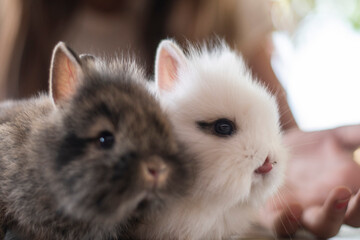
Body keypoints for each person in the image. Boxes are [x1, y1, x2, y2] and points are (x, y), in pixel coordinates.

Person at [1, 0, 359, 237]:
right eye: (221, 128)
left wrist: (291, 158)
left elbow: (273, 123)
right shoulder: (12, 22)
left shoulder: (229, 11)